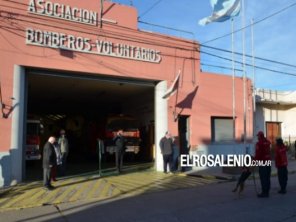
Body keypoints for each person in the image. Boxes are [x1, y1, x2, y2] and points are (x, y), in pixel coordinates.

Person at [254, 131, 271, 198]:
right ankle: (267, 191)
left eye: (258, 136)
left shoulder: (259, 144)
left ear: (260, 136)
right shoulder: (267, 142)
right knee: (267, 177)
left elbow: (258, 154)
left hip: (262, 162)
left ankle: (264, 193)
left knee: (263, 178)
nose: (257, 137)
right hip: (268, 161)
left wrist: (254, 162)